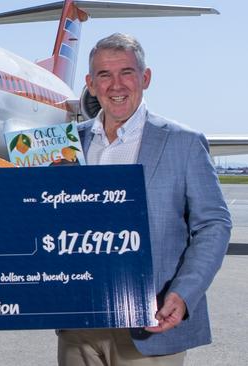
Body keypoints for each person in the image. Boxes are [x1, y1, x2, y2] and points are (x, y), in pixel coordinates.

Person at [57, 33, 232, 366]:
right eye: (104, 75)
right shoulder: (67, 146)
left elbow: (214, 224)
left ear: (145, 78)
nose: (116, 85)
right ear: (90, 85)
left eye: (126, 72)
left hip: (150, 325)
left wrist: (184, 293)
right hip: (79, 326)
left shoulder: (184, 143)